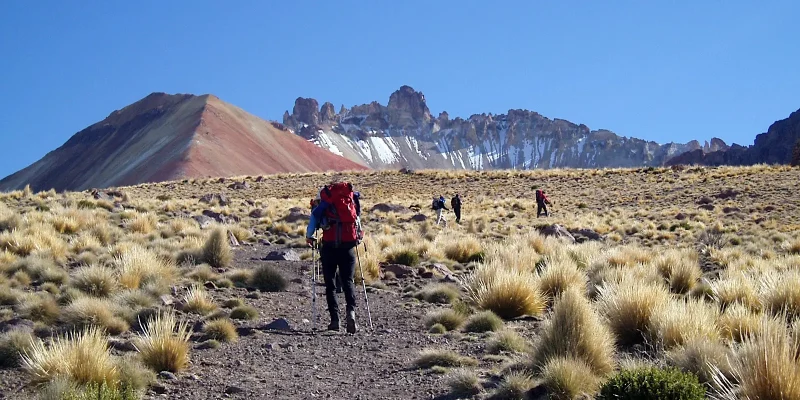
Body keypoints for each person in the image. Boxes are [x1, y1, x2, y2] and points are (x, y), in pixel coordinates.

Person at [306, 182, 363, 333]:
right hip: (348, 248)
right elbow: (358, 224)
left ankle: (335, 321)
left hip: (329, 248)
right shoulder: (350, 203)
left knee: (330, 285)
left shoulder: (323, 206)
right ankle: (351, 313)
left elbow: (312, 225)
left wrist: (310, 237)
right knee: (348, 281)